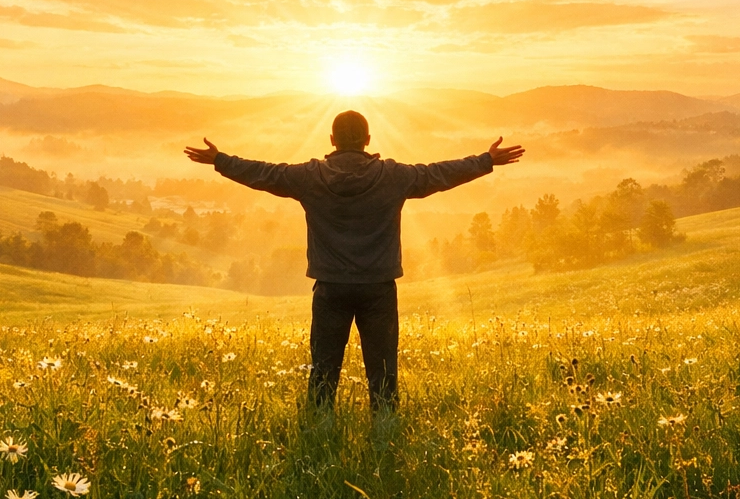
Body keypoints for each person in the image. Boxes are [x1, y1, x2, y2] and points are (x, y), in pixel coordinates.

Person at [184, 110, 524, 410]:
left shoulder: (310, 176)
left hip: (330, 287)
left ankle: (319, 437)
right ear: (368, 139)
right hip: (379, 286)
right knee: (383, 372)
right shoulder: (393, 176)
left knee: (323, 372)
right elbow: (438, 174)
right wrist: (486, 160)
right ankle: (384, 436)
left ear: (331, 140)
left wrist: (220, 160)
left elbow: (265, 173)